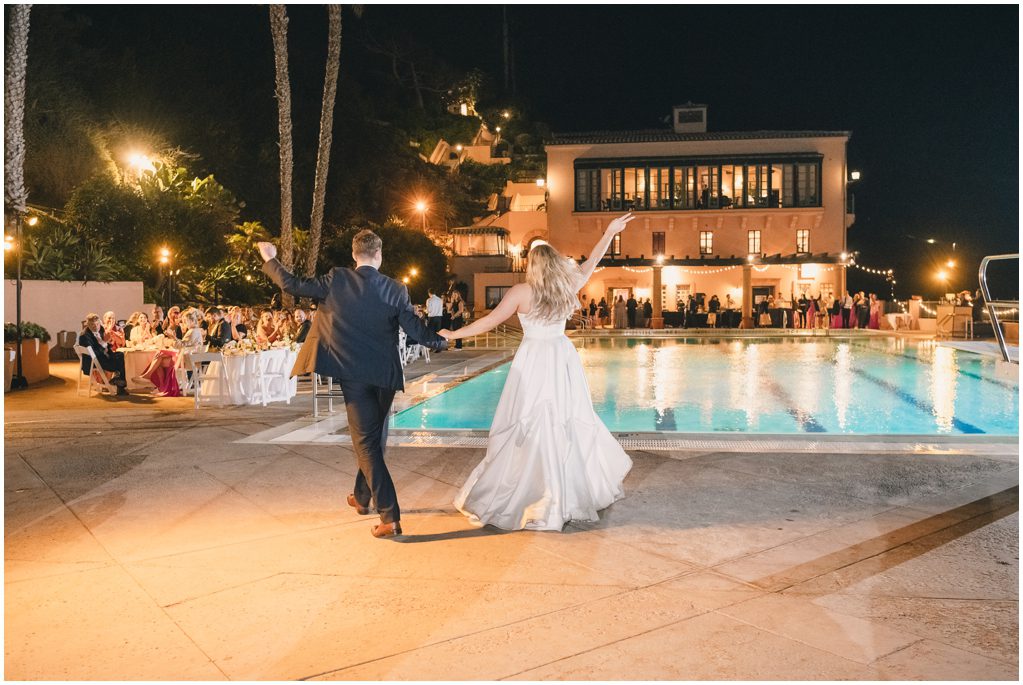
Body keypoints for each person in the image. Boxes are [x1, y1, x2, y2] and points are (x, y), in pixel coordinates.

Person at [438, 213, 635, 531]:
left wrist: (453, 334)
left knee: (527, 423)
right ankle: (562, 494)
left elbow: (489, 321)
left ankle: (531, 492)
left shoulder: (521, 292)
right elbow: (592, 262)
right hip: (560, 357)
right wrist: (610, 232)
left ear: (531, 264)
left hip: (533, 358)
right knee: (563, 421)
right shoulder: (566, 286)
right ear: (555, 263)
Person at [257, 230, 447, 538]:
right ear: (379, 255)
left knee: (366, 443)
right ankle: (361, 498)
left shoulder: (337, 279)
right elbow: (414, 327)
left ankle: (390, 516)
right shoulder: (396, 289)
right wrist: (441, 340)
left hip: (354, 375)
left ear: (354, 254)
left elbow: (292, 284)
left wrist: (270, 258)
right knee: (373, 440)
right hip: (385, 376)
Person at [79, 313, 129, 396]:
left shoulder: (101, 329)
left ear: (100, 323)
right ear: (87, 325)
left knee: (120, 354)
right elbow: (94, 353)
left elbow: (104, 345)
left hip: (103, 356)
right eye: (92, 324)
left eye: (97, 324)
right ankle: (120, 385)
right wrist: (104, 342)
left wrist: (108, 343)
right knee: (119, 364)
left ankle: (119, 381)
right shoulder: (84, 336)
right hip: (93, 362)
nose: (95, 326)